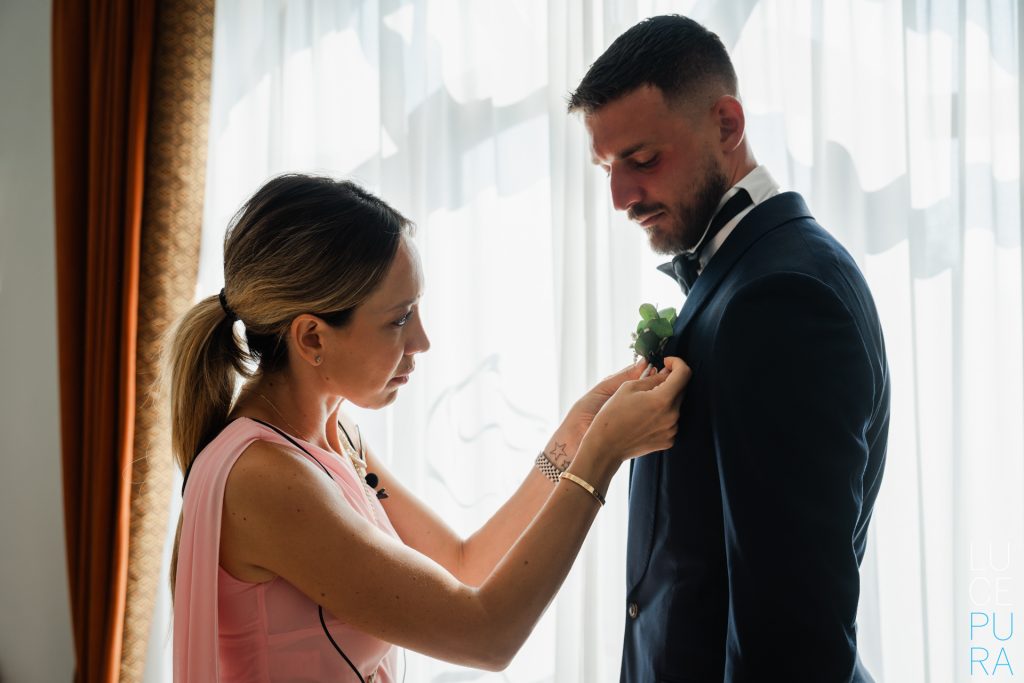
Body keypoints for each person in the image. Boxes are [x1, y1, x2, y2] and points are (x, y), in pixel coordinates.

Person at [166, 173, 690, 682]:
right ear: (312, 339)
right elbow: (485, 636)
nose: (421, 341)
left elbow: (465, 566)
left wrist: (572, 442)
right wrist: (603, 454)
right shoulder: (264, 478)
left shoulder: (334, 436)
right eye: (399, 319)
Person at [568, 15, 890, 683]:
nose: (622, 197)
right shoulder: (751, 274)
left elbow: (792, 630)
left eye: (643, 159)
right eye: (608, 168)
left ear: (726, 124)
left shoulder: (781, 297)